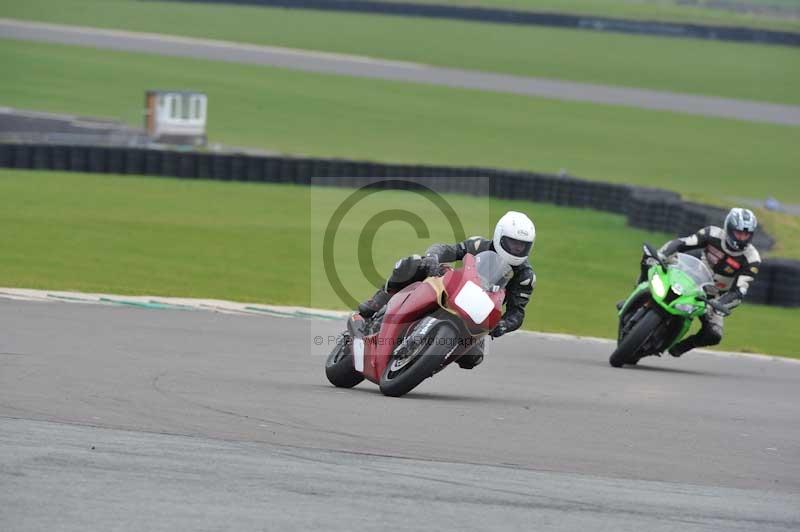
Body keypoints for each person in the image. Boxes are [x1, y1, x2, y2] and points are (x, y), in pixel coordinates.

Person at [358, 211, 537, 369]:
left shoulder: (525, 277)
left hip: (476, 315)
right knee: (413, 263)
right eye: (513, 243)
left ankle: (426, 363)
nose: (517, 248)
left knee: (473, 358)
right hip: (453, 289)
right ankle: (379, 299)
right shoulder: (479, 245)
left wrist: (504, 325)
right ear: (500, 236)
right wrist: (432, 258)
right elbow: (447, 249)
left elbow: (517, 313)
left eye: (522, 245)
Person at [638, 208, 760, 357]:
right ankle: (640, 289)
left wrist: (721, 305)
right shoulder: (712, 233)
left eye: (746, 234)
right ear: (729, 228)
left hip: (713, 296)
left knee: (714, 335)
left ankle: (682, 346)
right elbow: (682, 243)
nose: (742, 238)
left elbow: (739, 291)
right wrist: (662, 255)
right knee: (649, 258)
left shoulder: (752, 259)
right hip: (691, 275)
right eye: (739, 233)